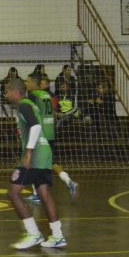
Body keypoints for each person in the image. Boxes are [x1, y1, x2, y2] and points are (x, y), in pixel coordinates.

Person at [5, 78, 66, 249]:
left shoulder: (24, 105)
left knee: (13, 192)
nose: (6, 94)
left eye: (7, 91)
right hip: (45, 152)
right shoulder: (29, 104)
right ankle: (58, 236)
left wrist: (29, 151)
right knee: (44, 195)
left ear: (16, 92)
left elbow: (36, 126)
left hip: (36, 155)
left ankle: (34, 234)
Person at [26, 74, 78, 203]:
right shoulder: (47, 95)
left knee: (33, 163)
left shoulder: (33, 95)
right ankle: (68, 181)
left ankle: (37, 194)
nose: (26, 83)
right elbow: (53, 114)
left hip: (40, 133)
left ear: (34, 82)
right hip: (50, 133)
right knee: (49, 162)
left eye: (28, 81)